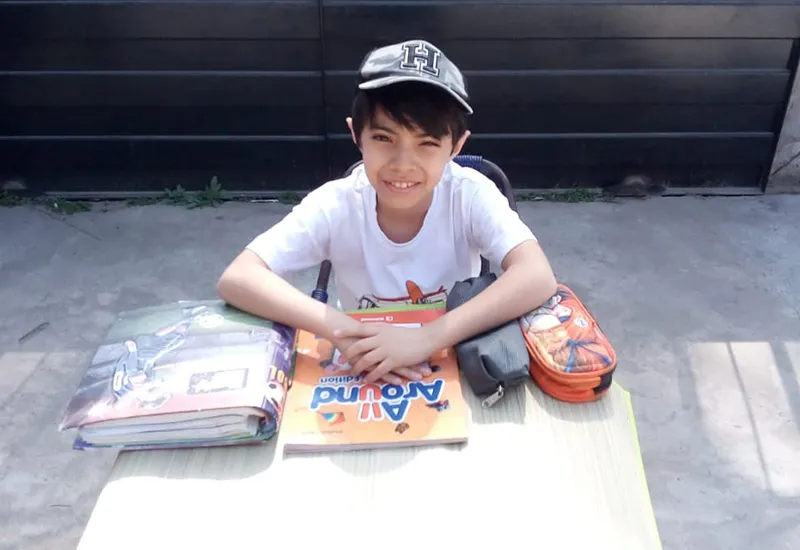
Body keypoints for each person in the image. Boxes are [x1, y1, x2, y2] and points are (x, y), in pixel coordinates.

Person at [217, 39, 557, 385]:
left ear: (456, 146)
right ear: (356, 134)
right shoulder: (337, 204)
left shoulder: (468, 195)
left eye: (427, 143)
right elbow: (239, 277)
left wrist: (426, 338)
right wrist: (343, 330)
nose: (403, 165)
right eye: (383, 139)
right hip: (362, 361)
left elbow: (536, 276)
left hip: (453, 358)